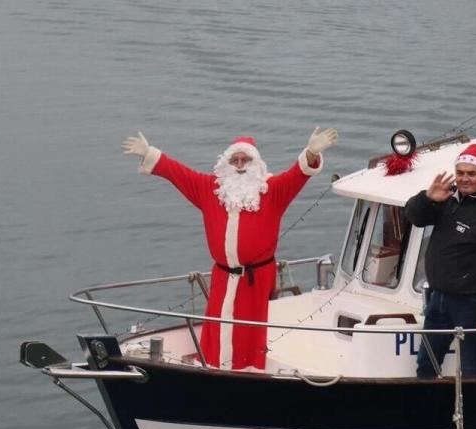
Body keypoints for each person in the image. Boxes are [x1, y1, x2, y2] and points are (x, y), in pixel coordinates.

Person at [121, 127, 338, 370]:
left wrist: (310, 152)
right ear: (225, 163)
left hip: (256, 280)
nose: (240, 165)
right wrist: (149, 152)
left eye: (246, 159)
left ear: (257, 163)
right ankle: (216, 365)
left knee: (252, 331)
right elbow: (179, 173)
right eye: (234, 160)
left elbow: (297, 174)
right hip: (223, 277)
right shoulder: (211, 190)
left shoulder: (272, 191)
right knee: (219, 327)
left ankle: (250, 369)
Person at [404, 143, 476, 378]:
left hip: (472, 303)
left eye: (471, 173)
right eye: (460, 173)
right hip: (438, 299)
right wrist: (428, 199)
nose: (464, 179)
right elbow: (414, 217)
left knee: (472, 369)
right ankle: (432, 412)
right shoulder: (446, 197)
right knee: (425, 365)